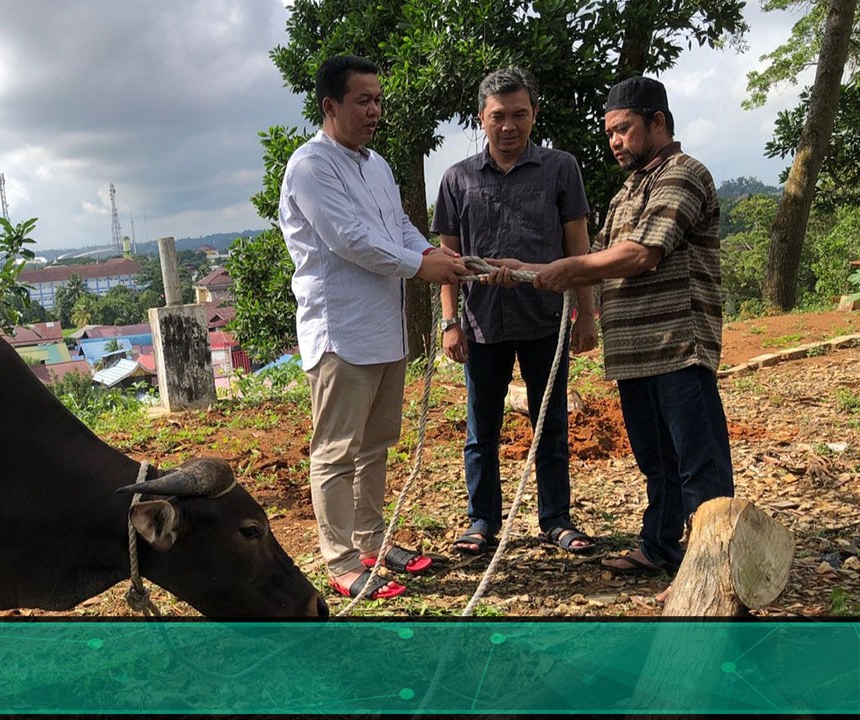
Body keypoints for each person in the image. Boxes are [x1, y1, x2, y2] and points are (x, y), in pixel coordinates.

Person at [490, 76, 734, 575]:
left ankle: (715, 571)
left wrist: (567, 269)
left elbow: (641, 254)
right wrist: (528, 270)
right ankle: (660, 548)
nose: (615, 142)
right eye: (609, 133)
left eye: (623, 129)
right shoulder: (628, 190)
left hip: (677, 347)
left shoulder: (683, 175)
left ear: (658, 122)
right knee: (657, 462)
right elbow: (596, 260)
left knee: (698, 466)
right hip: (634, 355)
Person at [279, 54, 470, 600]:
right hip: (340, 332)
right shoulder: (310, 166)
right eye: (363, 100)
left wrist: (430, 253)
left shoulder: (377, 165)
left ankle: (371, 542)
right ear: (330, 105)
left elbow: (398, 226)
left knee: (376, 445)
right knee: (337, 450)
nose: (374, 111)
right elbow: (350, 240)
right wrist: (420, 266)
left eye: (378, 100)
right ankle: (341, 562)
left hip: (386, 329)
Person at [432, 67, 598, 558]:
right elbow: (447, 258)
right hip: (482, 324)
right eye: (498, 116)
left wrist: (587, 314)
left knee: (550, 425)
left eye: (519, 114)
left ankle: (556, 520)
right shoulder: (457, 178)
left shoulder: (561, 169)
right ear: (481, 118)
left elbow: (578, 246)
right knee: (481, 430)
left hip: (546, 319)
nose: (509, 126)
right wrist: (450, 322)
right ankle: (482, 522)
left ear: (534, 114)